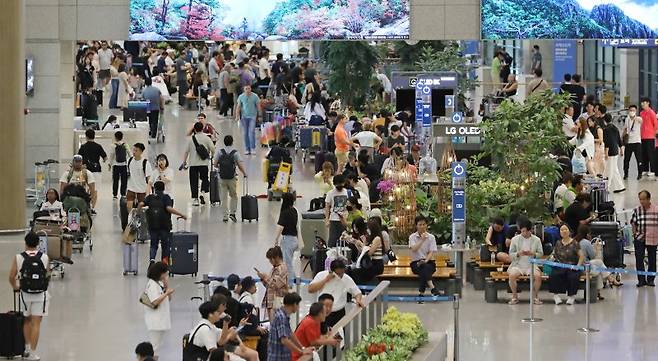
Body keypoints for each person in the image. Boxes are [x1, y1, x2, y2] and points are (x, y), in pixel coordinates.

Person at [8, 232, 49, 361]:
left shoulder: (19, 257)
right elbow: (47, 275)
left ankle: (25, 349)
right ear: (38, 243)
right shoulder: (45, 257)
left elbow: (11, 276)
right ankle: (33, 353)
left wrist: (15, 286)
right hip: (41, 295)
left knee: (26, 320)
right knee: (36, 323)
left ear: (25, 243)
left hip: (25, 294)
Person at [186, 299, 257, 361]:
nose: (220, 315)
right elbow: (214, 353)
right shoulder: (205, 330)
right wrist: (227, 354)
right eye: (218, 312)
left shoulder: (210, 326)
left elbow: (221, 341)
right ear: (210, 314)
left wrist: (226, 324)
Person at [140, 181, 187, 264]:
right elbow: (168, 208)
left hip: (152, 225)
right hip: (164, 225)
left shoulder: (150, 197)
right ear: (163, 188)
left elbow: (141, 204)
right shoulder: (166, 197)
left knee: (153, 245)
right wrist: (181, 214)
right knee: (165, 245)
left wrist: (137, 211)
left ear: (154, 188)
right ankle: (164, 263)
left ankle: (152, 260)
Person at [308, 260, 364, 328]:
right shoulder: (321, 275)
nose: (340, 276)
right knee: (321, 334)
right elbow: (310, 289)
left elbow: (357, 292)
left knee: (339, 335)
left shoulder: (346, 278)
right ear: (331, 271)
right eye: (338, 273)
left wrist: (358, 300)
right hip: (322, 311)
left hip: (339, 312)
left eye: (342, 273)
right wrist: (325, 280)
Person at [575, 224, 620, 300]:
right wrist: (596, 248)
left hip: (579, 265)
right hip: (584, 267)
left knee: (599, 266)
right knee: (599, 267)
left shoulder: (576, 240)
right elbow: (592, 256)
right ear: (587, 233)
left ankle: (603, 287)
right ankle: (610, 280)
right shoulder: (586, 242)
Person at [507, 220, 544, 305]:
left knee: (538, 276)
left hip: (531, 264)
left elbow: (541, 253)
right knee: (512, 275)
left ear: (529, 230)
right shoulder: (515, 239)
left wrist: (533, 254)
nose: (523, 233)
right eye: (522, 231)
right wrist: (518, 253)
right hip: (518, 264)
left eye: (525, 231)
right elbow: (510, 254)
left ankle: (535, 296)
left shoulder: (536, 240)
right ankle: (514, 296)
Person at [268, 292, 314, 361]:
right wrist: (301, 352)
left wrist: (302, 348)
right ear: (295, 304)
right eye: (298, 305)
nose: (298, 308)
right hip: (278, 357)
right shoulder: (281, 317)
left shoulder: (284, 315)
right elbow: (284, 340)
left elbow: (291, 334)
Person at [212, 135, 247, 222]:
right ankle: (232, 213)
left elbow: (215, 164)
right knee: (234, 195)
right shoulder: (235, 152)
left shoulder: (220, 152)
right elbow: (239, 165)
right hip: (232, 178)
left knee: (223, 197)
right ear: (232, 142)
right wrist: (244, 173)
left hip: (222, 177)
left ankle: (225, 216)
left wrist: (220, 167)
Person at [549, 224, 584, 305]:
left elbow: (581, 256)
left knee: (573, 276)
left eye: (565, 229)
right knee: (554, 275)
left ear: (569, 231)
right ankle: (556, 296)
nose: (564, 231)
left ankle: (571, 296)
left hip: (572, 266)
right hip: (560, 265)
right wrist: (551, 258)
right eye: (562, 230)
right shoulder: (558, 243)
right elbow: (554, 254)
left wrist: (578, 266)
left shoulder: (575, 243)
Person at [143, 262, 174, 351]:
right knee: (154, 347)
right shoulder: (152, 285)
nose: (167, 276)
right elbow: (155, 302)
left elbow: (168, 299)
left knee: (157, 347)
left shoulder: (159, 284)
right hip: (155, 321)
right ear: (160, 273)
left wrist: (166, 286)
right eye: (166, 274)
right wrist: (166, 293)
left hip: (161, 320)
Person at [408, 215, 441, 298]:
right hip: (415, 263)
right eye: (420, 225)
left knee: (424, 267)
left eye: (424, 224)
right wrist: (422, 240)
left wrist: (425, 261)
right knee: (423, 268)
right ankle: (432, 288)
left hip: (429, 262)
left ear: (426, 225)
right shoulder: (412, 237)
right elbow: (414, 249)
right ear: (416, 226)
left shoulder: (431, 237)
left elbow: (431, 252)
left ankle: (421, 293)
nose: (422, 226)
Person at [183, 122, 215, 206]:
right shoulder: (206, 138)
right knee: (204, 178)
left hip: (193, 164)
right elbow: (213, 148)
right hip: (203, 163)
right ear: (202, 128)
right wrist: (211, 156)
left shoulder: (191, 139)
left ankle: (195, 199)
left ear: (195, 129)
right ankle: (202, 192)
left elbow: (186, 151)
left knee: (193, 181)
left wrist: (184, 162)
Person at [630, 190, 658, 287]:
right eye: (640, 199)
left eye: (644, 199)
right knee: (639, 259)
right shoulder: (637, 210)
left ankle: (651, 280)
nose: (642, 201)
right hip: (640, 238)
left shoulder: (656, 210)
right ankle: (641, 280)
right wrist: (635, 235)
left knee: (652, 260)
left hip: (653, 238)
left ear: (649, 199)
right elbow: (633, 223)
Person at [256, 246, 289, 322]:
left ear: (276, 257)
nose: (270, 261)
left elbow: (275, 285)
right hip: (271, 301)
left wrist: (266, 277)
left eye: (271, 259)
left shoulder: (282, 268)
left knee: (277, 325)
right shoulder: (274, 269)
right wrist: (263, 279)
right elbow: (269, 286)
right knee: (272, 325)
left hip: (277, 301)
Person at [273, 192, 303, 274]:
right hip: (294, 239)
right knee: (289, 262)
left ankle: (289, 283)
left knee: (287, 264)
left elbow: (280, 227)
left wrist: (276, 239)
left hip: (288, 240)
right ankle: (291, 281)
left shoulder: (285, 212)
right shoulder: (294, 210)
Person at [601, 107, 625, 193]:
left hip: (610, 152)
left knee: (609, 171)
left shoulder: (606, 130)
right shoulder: (615, 128)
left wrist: (606, 152)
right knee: (614, 169)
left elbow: (607, 142)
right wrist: (621, 150)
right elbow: (619, 140)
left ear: (604, 121)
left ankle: (607, 188)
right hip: (616, 151)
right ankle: (620, 186)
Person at [325, 174, 350, 248]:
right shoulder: (330, 193)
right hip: (334, 219)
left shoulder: (348, 192)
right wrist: (327, 218)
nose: (339, 186)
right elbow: (327, 207)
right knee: (332, 240)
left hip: (345, 219)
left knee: (345, 240)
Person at [126, 143, 152, 210]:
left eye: (136, 150)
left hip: (142, 189)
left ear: (141, 152)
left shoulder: (145, 163)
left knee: (141, 210)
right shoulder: (129, 160)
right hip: (131, 188)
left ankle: (139, 219)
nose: (134, 152)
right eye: (133, 150)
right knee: (129, 208)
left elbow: (149, 179)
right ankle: (131, 219)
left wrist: (148, 192)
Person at [235, 85, 260, 155]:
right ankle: (247, 148)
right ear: (244, 90)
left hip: (253, 116)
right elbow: (238, 107)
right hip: (244, 117)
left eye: (249, 88)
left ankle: (253, 148)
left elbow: (258, 106)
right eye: (246, 89)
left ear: (251, 89)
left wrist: (260, 115)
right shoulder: (241, 97)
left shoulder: (255, 96)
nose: (248, 90)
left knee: (251, 132)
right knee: (245, 133)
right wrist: (237, 116)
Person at [623, 104, 643, 180]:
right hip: (628, 142)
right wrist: (622, 138)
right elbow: (625, 129)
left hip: (637, 142)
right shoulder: (627, 119)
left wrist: (636, 118)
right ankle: (625, 173)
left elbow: (641, 121)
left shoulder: (638, 119)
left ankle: (640, 173)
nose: (632, 112)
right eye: (630, 110)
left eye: (633, 110)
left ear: (636, 111)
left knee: (639, 159)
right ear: (628, 111)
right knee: (626, 159)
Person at [108, 131, 130, 199]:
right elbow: (130, 154)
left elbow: (111, 156)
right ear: (122, 137)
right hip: (124, 165)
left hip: (115, 165)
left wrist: (110, 164)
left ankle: (115, 195)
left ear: (115, 137)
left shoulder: (113, 145)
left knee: (115, 180)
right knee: (124, 180)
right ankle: (123, 194)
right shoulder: (125, 145)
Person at [640, 97, 658, 177]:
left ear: (648, 103)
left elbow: (656, 124)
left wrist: (653, 133)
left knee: (651, 154)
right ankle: (645, 169)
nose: (642, 104)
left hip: (650, 137)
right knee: (644, 154)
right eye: (642, 103)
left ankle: (653, 170)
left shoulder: (652, 113)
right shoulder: (641, 113)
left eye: (644, 103)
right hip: (642, 136)